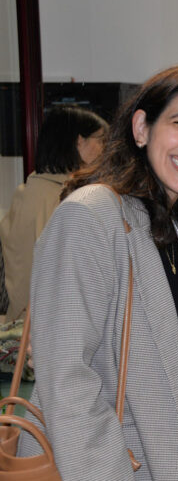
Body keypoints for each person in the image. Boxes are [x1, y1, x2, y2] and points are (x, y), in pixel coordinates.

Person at [21, 65, 178, 481]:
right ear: (141, 127)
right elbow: (66, 383)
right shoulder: (92, 215)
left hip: (171, 477)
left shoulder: (171, 229)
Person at [0, 105, 107, 324]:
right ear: (79, 142)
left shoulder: (31, 188)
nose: (105, 149)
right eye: (101, 139)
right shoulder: (62, 199)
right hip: (46, 329)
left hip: (23, 324)